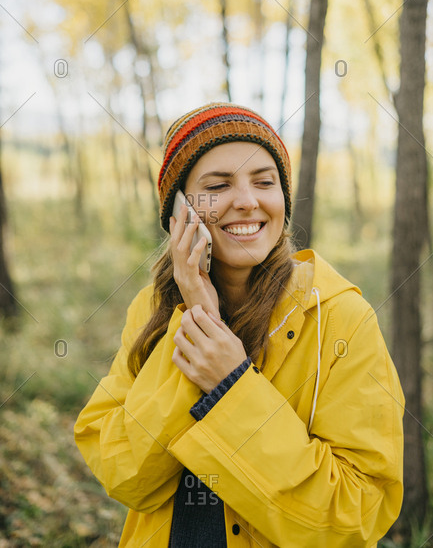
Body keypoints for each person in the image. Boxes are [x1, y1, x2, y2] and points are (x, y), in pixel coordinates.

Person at [74, 103, 404, 548]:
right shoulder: (152, 311)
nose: (248, 200)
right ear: (179, 212)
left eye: (265, 182)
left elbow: (355, 515)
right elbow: (124, 476)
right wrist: (197, 321)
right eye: (218, 185)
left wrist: (230, 386)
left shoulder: (340, 320)